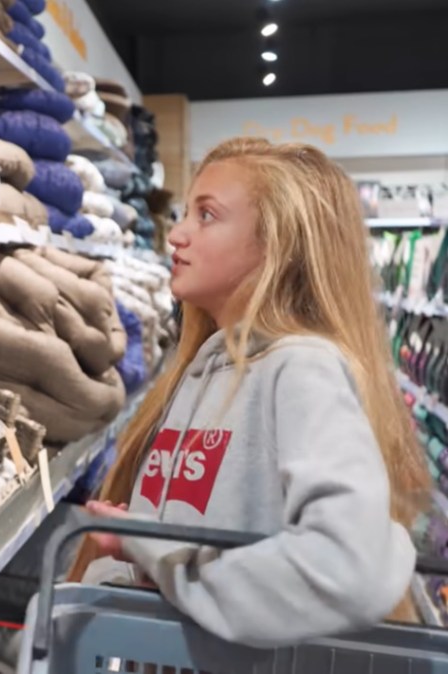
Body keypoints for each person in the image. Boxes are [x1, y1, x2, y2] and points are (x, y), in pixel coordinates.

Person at [69, 138, 431, 648]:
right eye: (184, 214)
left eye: (207, 215)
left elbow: (351, 566)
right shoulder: (203, 366)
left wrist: (154, 551)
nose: (176, 236)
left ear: (276, 244)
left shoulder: (301, 368)